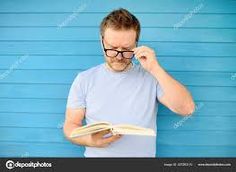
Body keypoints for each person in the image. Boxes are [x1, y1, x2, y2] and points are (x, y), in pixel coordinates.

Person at [63, 8, 195, 157]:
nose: (119, 57)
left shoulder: (152, 77)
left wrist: (155, 68)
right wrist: (89, 140)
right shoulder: (84, 79)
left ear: (136, 45)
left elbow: (187, 109)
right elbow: (70, 125)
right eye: (112, 48)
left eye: (126, 49)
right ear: (102, 42)